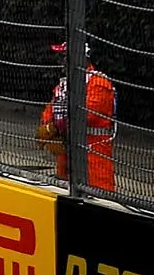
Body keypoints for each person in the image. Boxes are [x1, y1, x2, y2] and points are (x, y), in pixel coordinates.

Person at [38, 43, 119, 190]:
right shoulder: (64, 85)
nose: (61, 62)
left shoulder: (99, 83)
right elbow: (48, 112)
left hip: (93, 160)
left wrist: (55, 127)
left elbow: (85, 115)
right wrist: (48, 127)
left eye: (64, 57)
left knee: (99, 200)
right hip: (66, 161)